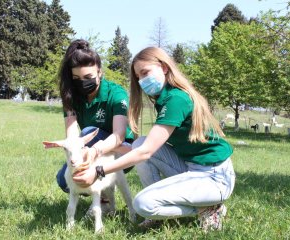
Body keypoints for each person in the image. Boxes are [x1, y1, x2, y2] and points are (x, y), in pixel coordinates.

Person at [73, 47, 236, 232]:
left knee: (142, 204)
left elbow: (146, 152)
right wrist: (99, 149)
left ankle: (208, 207)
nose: (142, 81)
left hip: (215, 177)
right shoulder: (165, 98)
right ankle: (160, 215)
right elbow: (143, 148)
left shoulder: (176, 99)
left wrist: (98, 171)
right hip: (191, 167)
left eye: (145, 73)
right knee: (139, 142)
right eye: (139, 77)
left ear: (164, 67)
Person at [49, 39, 134, 202]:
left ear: (100, 72)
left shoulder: (116, 93)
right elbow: (73, 136)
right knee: (64, 180)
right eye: (76, 78)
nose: (82, 82)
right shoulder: (72, 97)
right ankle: (105, 196)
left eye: (88, 76)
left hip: (122, 151)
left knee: (88, 132)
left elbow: (119, 134)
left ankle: (104, 189)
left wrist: (95, 150)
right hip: (88, 147)